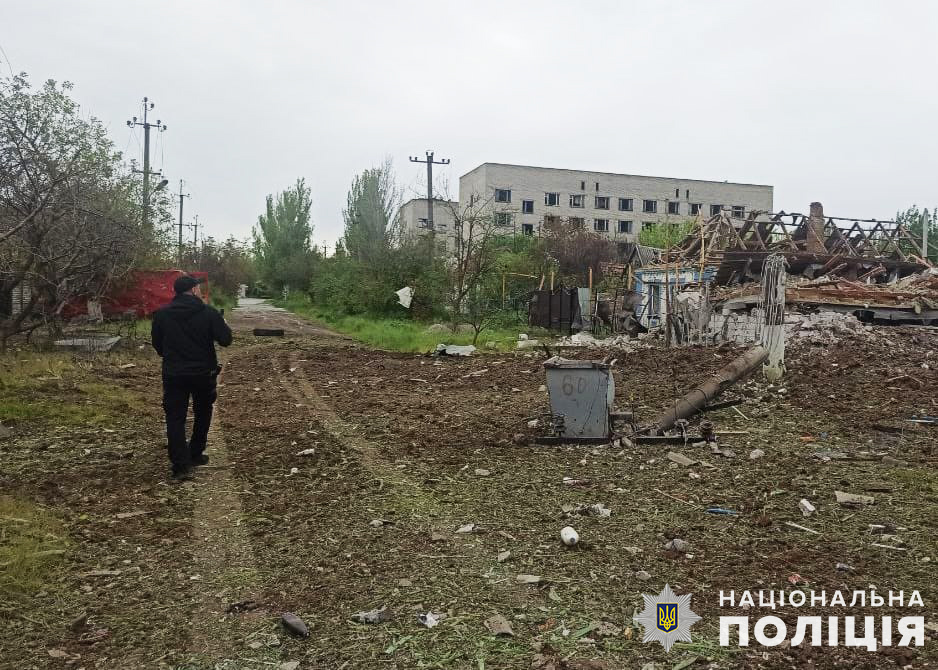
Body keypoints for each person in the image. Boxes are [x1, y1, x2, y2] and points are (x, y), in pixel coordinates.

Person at [151, 275, 233, 480]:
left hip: (174, 374)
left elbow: (158, 345)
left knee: (175, 417)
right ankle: (195, 453)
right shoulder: (209, 313)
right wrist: (223, 323)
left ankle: (180, 465)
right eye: (198, 288)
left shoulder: (162, 314)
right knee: (203, 412)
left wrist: (172, 357)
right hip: (203, 373)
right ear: (194, 290)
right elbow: (225, 340)